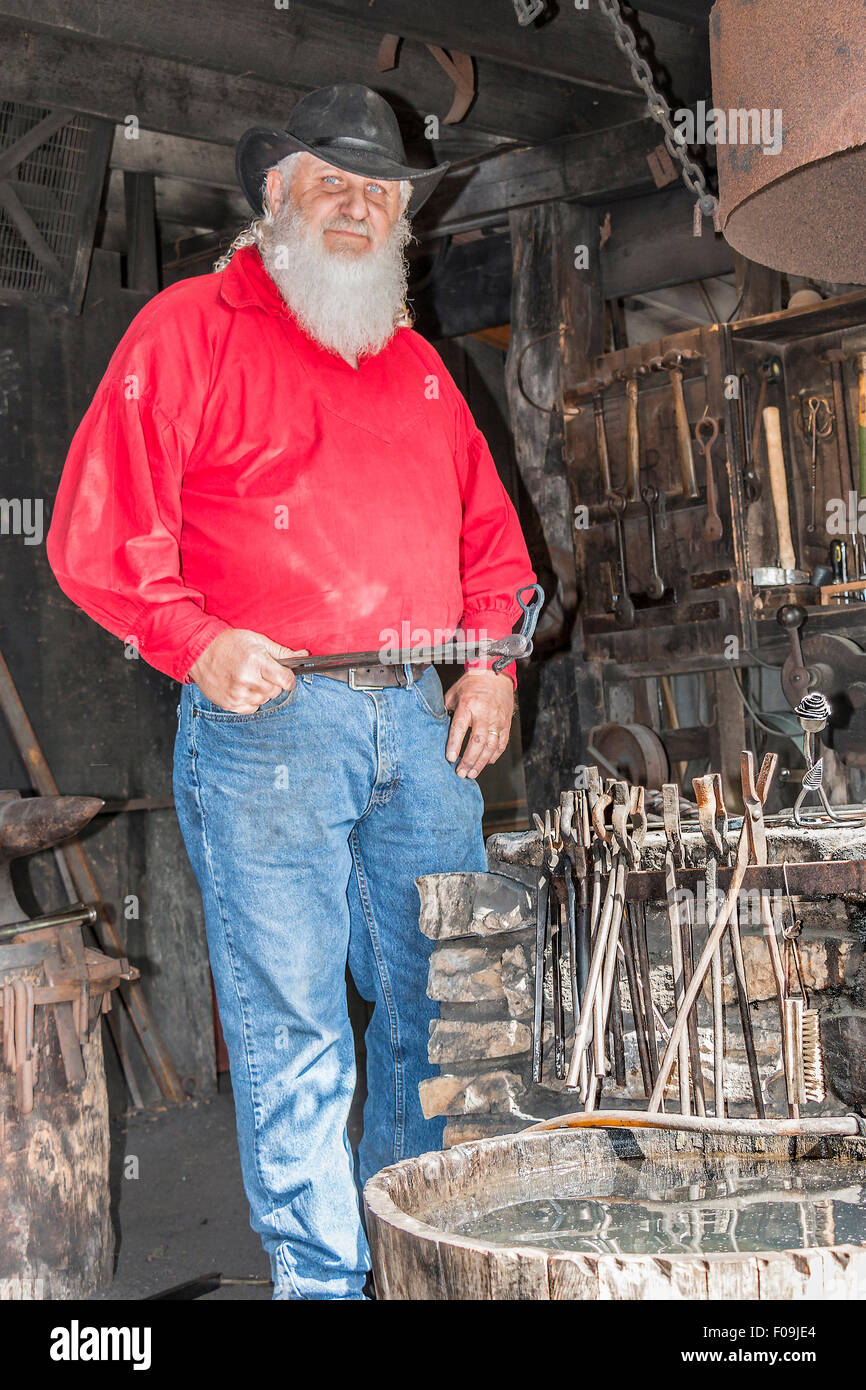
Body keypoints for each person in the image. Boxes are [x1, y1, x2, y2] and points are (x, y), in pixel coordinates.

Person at [47, 84, 535, 1300]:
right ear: (275, 195)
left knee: (443, 1007)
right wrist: (191, 639)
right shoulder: (188, 328)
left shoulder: (420, 367)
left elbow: (495, 544)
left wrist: (489, 661)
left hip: (424, 730)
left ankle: (411, 1261)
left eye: (381, 189)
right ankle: (321, 1288)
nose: (361, 205)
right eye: (335, 179)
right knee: (297, 1035)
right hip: (270, 729)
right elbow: (92, 531)